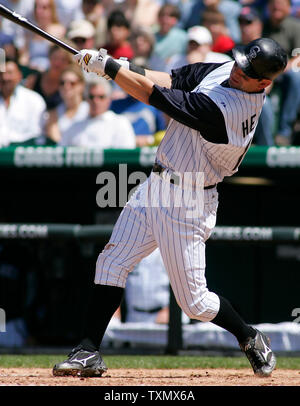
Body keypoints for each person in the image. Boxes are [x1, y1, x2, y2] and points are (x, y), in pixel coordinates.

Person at [52, 37, 287, 378]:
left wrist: (111, 70)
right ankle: (88, 351)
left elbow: (157, 97)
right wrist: (116, 66)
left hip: (188, 200)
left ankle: (249, 336)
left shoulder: (232, 111)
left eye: (247, 71)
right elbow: (173, 79)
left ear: (264, 83)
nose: (238, 70)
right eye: (240, 62)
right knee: (111, 262)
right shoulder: (229, 69)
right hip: (157, 185)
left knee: (195, 303)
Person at [58, 76, 136, 148]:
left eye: (101, 97)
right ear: (87, 99)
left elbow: (125, 159)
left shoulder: (120, 123)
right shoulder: (74, 126)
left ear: (109, 99)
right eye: (92, 97)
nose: (96, 101)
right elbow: (61, 154)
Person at [263, 0, 300, 145]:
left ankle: (285, 131)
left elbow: (298, 58)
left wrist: (276, 73)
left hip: (286, 72)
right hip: (265, 71)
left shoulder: (295, 26)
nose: (276, 5)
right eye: (272, 2)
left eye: (280, 2)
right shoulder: (262, 24)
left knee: (296, 76)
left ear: (289, 7)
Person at [236, 7, 275, 145]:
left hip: (256, 94)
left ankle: (268, 149)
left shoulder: (267, 49)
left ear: (259, 24)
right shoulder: (234, 49)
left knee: (264, 103)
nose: (244, 27)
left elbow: (268, 85)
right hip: (234, 94)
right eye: (241, 22)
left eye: (248, 22)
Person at [0, 58, 47, 147]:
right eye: (1, 73)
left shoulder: (34, 100)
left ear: (19, 75)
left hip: (24, 154)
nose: (4, 77)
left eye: (9, 73)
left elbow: (37, 134)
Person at [46, 65, 89, 144]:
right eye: (62, 83)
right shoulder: (54, 114)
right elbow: (56, 139)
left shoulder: (89, 109)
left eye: (72, 83)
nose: (66, 86)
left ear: (82, 85)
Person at [20, 0, 66, 71]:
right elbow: (24, 57)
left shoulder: (59, 30)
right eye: (37, 7)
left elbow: (60, 57)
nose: (39, 11)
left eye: (44, 8)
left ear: (51, 10)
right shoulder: (30, 32)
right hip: (32, 72)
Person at [25, 44, 73, 110]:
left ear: (69, 63)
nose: (57, 63)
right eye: (55, 58)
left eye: (63, 60)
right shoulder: (34, 79)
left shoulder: (69, 84)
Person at [166, 25, 232, 73]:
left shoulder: (222, 61)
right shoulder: (175, 60)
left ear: (208, 46)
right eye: (191, 44)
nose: (194, 48)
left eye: (197, 45)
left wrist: (197, 66)